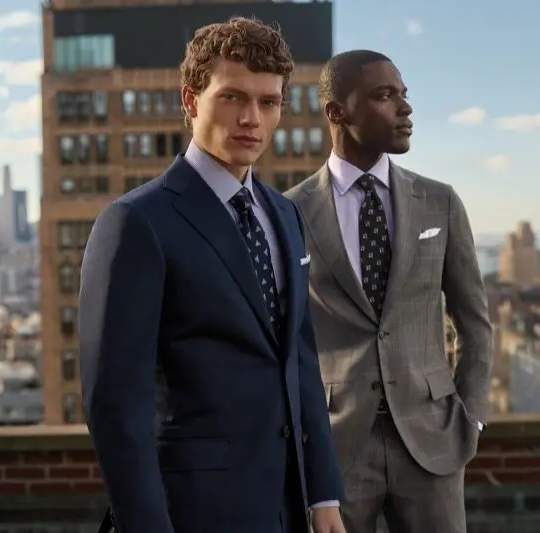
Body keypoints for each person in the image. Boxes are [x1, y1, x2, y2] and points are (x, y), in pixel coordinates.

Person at [79, 17, 346, 533]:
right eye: (233, 98)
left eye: (268, 103)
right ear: (190, 99)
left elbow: (299, 362)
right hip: (191, 511)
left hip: (287, 510)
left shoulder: (285, 215)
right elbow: (115, 405)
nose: (252, 119)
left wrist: (323, 494)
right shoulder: (136, 222)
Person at [285, 50, 493, 533]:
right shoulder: (289, 212)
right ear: (337, 112)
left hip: (432, 443)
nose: (405, 108)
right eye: (384, 96)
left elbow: (474, 322)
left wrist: (471, 418)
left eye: (404, 94)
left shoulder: (439, 201)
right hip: (335, 449)